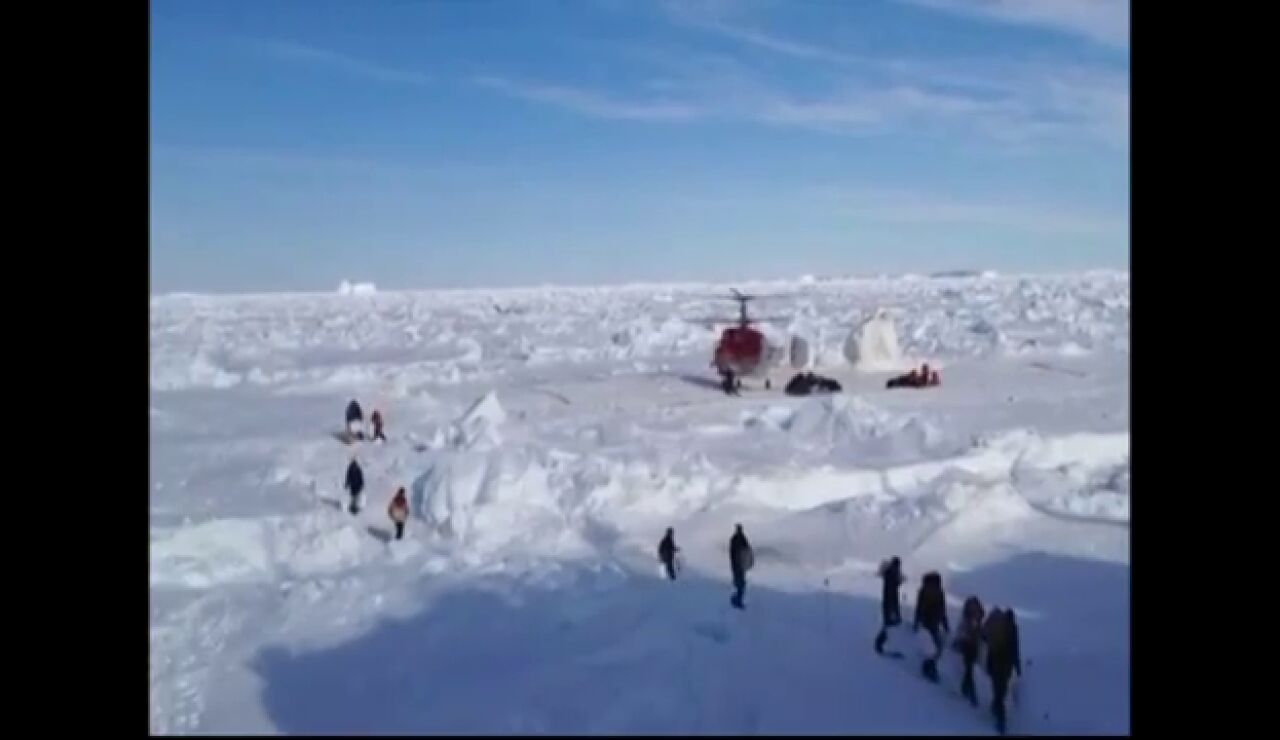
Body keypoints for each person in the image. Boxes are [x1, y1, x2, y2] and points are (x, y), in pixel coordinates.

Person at [983, 608, 1022, 734]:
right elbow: (1015, 648)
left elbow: (987, 641)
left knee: (997, 688)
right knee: (1001, 689)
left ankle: (996, 706)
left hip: (994, 660)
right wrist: (1018, 666)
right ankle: (1001, 719)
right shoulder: (1013, 628)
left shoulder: (997, 627)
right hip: (1006, 664)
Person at [913, 571, 950, 682]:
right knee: (936, 647)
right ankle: (930, 668)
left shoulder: (924, 590)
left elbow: (919, 607)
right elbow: (942, 609)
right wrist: (945, 624)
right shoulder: (939, 591)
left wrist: (917, 622)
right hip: (933, 622)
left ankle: (928, 667)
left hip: (927, 621)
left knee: (932, 646)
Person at [953, 596, 987, 706]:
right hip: (974, 646)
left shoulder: (967, 618)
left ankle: (967, 690)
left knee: (969, 669)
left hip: (968, 645)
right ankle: (970, 693)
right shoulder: (978, 619)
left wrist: (957, 641)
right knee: (969, 669)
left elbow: (962, 630)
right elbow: (981, 633)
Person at [729, 523, 753, 609]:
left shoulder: (737, 538)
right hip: (738, 564)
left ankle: (737, 599)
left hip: (739, 564)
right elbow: (746, 550)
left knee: (740, 583)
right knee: (740, 583)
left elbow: (747, 550)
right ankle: (737, 600)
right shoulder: (739, 538)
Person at [880, 557, 905, 627]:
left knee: (890, 611)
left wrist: (899, 582)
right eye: (898, 565)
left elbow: (894, 584)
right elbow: (891, 586)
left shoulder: (891, 572)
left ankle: (893, 619)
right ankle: (890, 621)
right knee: (889, 609)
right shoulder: (891, 573)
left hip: (890, 596)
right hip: (890, 597)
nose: (898, 567)